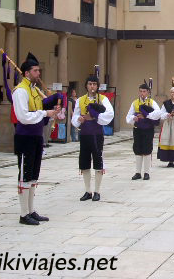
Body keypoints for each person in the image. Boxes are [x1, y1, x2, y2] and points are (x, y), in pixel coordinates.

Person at [12, 52, 62, 225]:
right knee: (25, 175)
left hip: (36, 136)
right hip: (25, 137)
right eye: (35, 71)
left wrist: (52, 109)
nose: (38, 74)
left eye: (38, 71)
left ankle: (31, 210)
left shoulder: (34, 90)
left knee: (33, 175)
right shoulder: (20, 91)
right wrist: (44, 113)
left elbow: (41, 108)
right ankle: (23, 213)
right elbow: (23, 116)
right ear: (26, 73)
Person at [71, 75, 114, 202]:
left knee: (98, 161)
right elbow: (75, 115)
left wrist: (96, 117)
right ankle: (87, 190)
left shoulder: (103, 99)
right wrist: (78, 119)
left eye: (94, 84)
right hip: (84, 134)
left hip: (96, 134)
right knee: (84, 162)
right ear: (86, 85)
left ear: (97, 86)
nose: (92, 86)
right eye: (90, 84)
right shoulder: (80, 100)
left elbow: (110, 114)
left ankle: (97, 191)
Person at [125, 81, 161, 180]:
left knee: (147, 149)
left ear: (148, 92)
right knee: (137, 149)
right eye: (140, 91)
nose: (142, 93)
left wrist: (147, 115)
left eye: (144, 91)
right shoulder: (135, 103)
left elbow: (158, 113)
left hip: (148, 129)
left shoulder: (151, 102)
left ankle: (146, 172)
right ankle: (137, 172)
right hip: (137, 129)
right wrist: (134, 118)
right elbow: (128, 116)